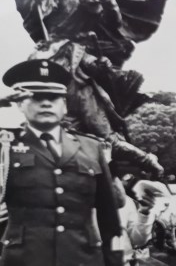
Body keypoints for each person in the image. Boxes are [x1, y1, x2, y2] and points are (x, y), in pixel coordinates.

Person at [0, 59, 123, 266]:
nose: (46, 103)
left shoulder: (91, 148)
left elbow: (109, 219)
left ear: (64, 106)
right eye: (37, 97)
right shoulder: (6, 145)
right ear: (20, 103)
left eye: (54, 97)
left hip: (83, 259)